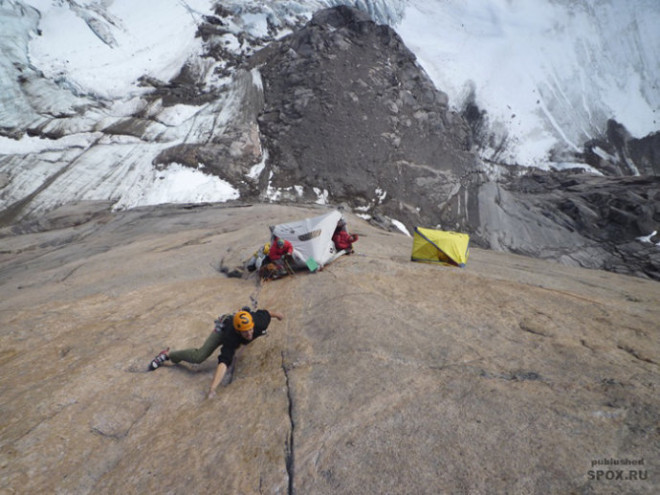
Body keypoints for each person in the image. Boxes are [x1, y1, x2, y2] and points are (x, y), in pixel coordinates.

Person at [148, 308, 284, 399]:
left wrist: (278, 315)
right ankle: (167, 355)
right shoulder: (231, 336)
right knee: (199, 356)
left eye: (250, 329)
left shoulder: (258, 322)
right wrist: (213, 388)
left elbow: (265, 313)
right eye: (245, 332)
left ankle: (251, 324)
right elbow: (224, 361)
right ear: (238, 331)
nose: (249, 333)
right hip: (223, 329)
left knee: (254, 334)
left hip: (241, 321)